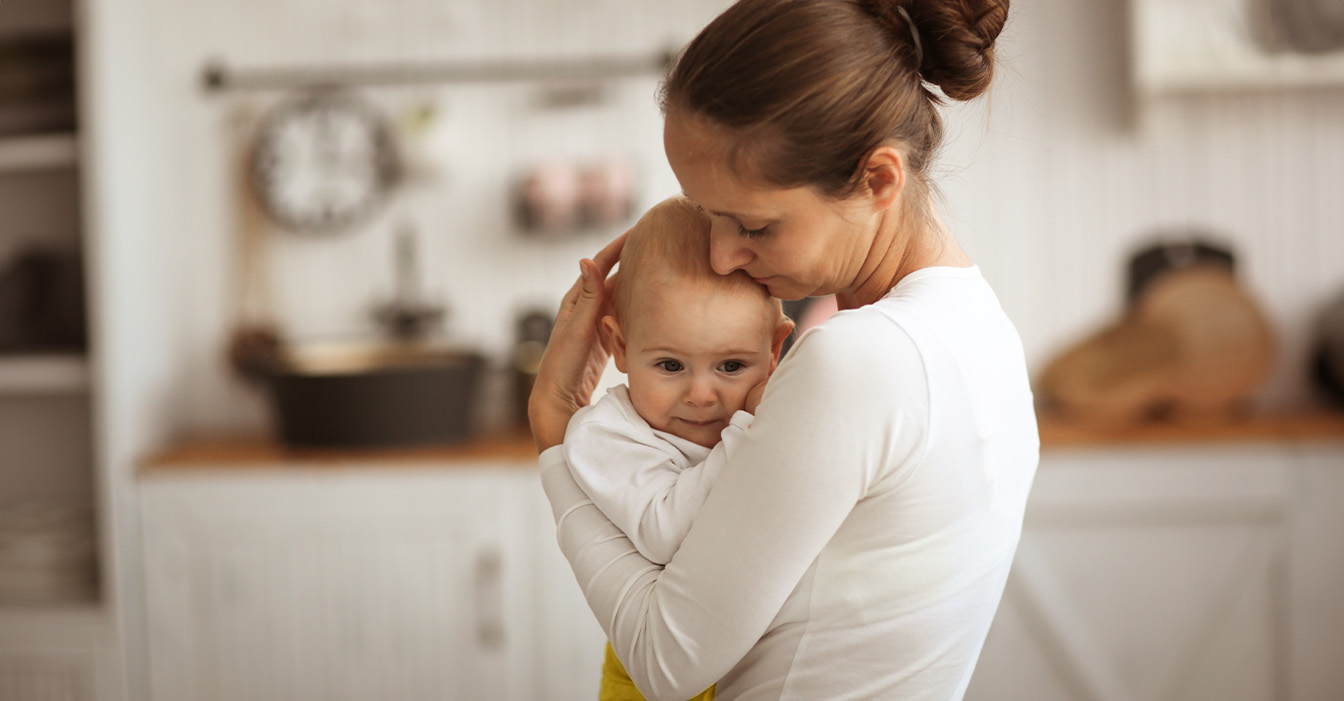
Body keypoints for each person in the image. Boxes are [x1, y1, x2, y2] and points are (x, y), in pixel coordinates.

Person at [530, 0, 1040, 698]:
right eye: (707, 213)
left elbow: (665, 662)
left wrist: (557, 438)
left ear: (878, 179)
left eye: (755, 225)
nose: (721, 253)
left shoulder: (856, 363)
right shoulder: (983, 327)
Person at [564, 196, 792, 701]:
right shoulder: (605, 435)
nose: (701, 394)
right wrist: (747, 433)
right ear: (620, 346)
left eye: (731, 366)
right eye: (670, 365)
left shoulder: (779, 418)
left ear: (774, 351)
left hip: (750, 664)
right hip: (649, 680)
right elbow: (666, 533)